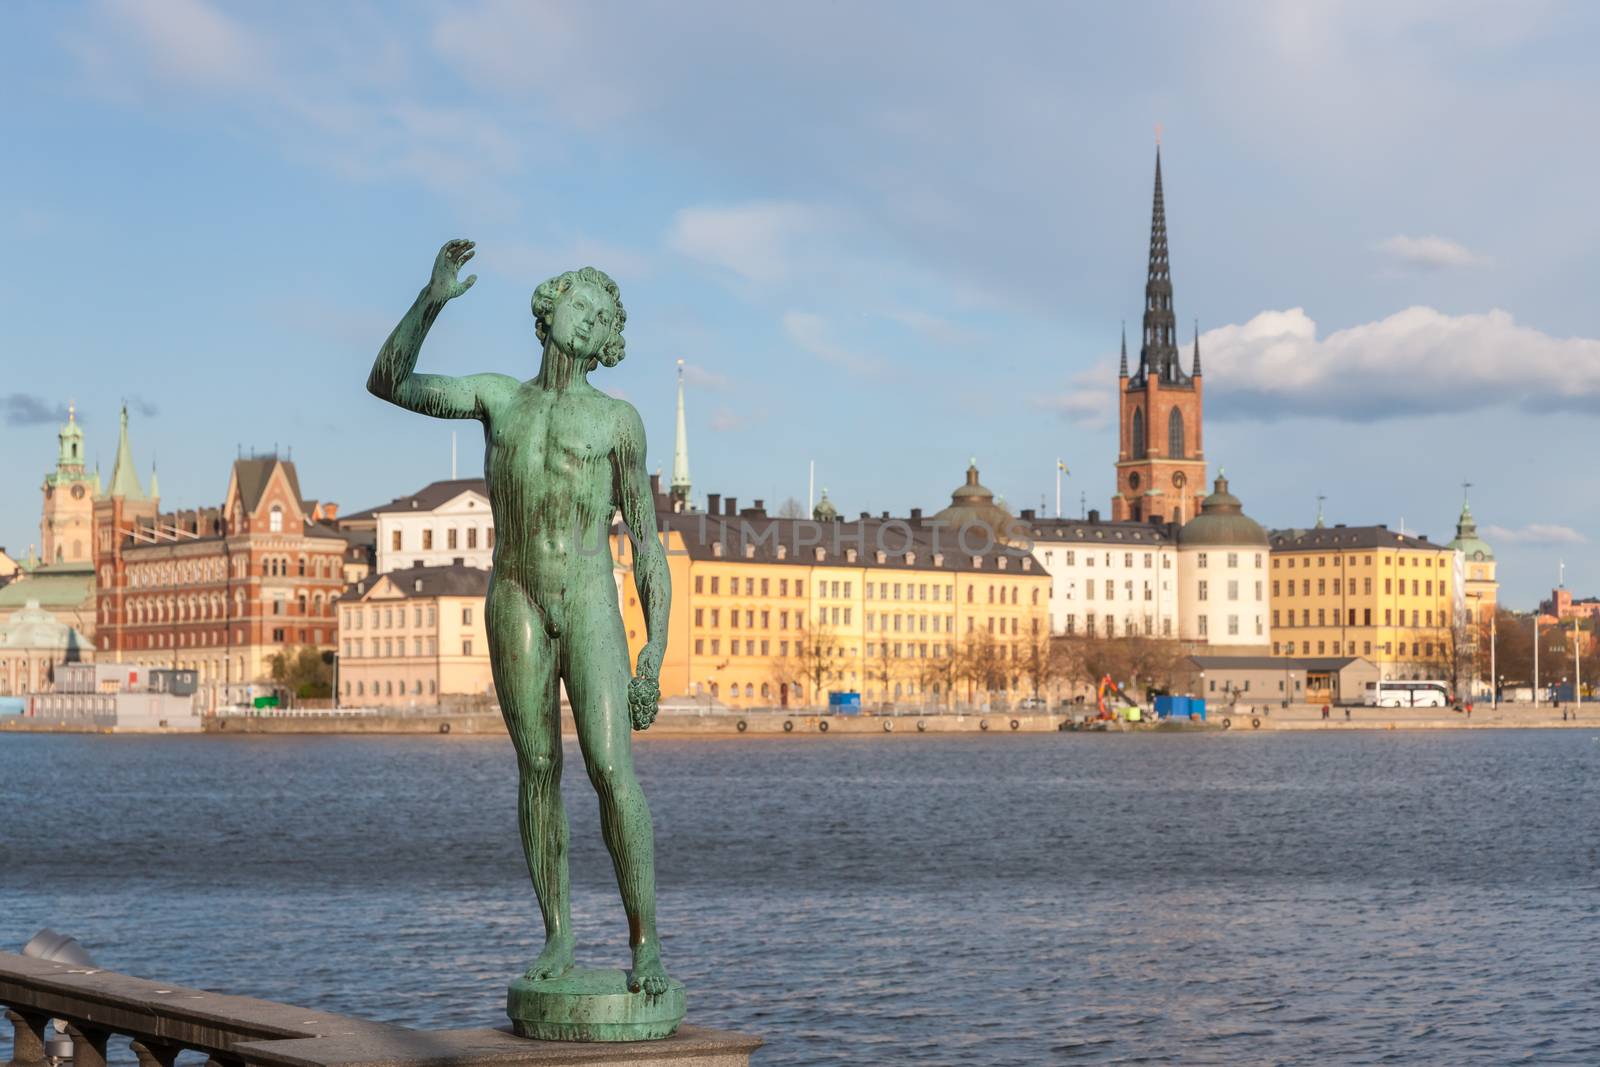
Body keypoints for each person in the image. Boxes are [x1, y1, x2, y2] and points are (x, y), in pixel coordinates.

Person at [368, 241, 672, 996]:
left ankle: (647, 943)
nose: (589, 315)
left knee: (609, 768)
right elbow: (388, 380)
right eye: (581, 300)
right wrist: (431, 297)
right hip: (516, 597)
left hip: (591, 597)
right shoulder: (499, 398)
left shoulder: (618, 423)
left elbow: (647, 545)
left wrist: (653, 651)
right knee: (538, 768)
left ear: (606, 340)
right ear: (551, 307)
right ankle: (558, 937)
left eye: (603, 313)